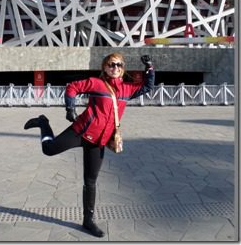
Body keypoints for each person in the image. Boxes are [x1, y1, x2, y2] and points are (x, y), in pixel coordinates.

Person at [24, 52, 155, 237]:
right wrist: (70, 108)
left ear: (123, 68)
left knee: (90, 181)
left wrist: (149, 67)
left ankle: (88, 220)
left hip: (99, 141)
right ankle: (43, 123)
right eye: (111, 64)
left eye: (119, 65)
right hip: (80, 132)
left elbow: (148, 86)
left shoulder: (127, 89)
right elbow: (72, 87)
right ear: (104, 67)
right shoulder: (97, 83)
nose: (115, 68)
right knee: (48, 149)